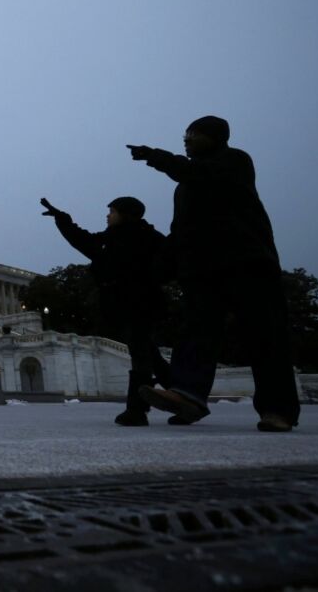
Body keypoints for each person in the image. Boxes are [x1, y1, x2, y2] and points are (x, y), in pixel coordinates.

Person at [128, 115, 300, 432]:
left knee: (265, 336)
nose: (187, 138)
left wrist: (155, 156)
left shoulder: (233, 162)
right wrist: (157, 271)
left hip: (246, 262)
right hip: (203, 271)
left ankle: (278, 409)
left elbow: (200, 175)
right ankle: (188, 396)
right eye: (185, 134)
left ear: (216, 136)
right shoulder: (185, 187)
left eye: (194, 133)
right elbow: (180, 231)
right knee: (196, 333)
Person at [41, 196, 171, 426]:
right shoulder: (115, 238)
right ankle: (181, 391)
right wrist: (63, 219)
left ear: (125, 214)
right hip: (131, 302)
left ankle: (137, 409)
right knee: (148, 352)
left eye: (112, 211)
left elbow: (170, 264)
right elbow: (82, 240)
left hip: (141, 301)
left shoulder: (141, 239)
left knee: (140, 351)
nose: (108, 215)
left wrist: (144, 280)